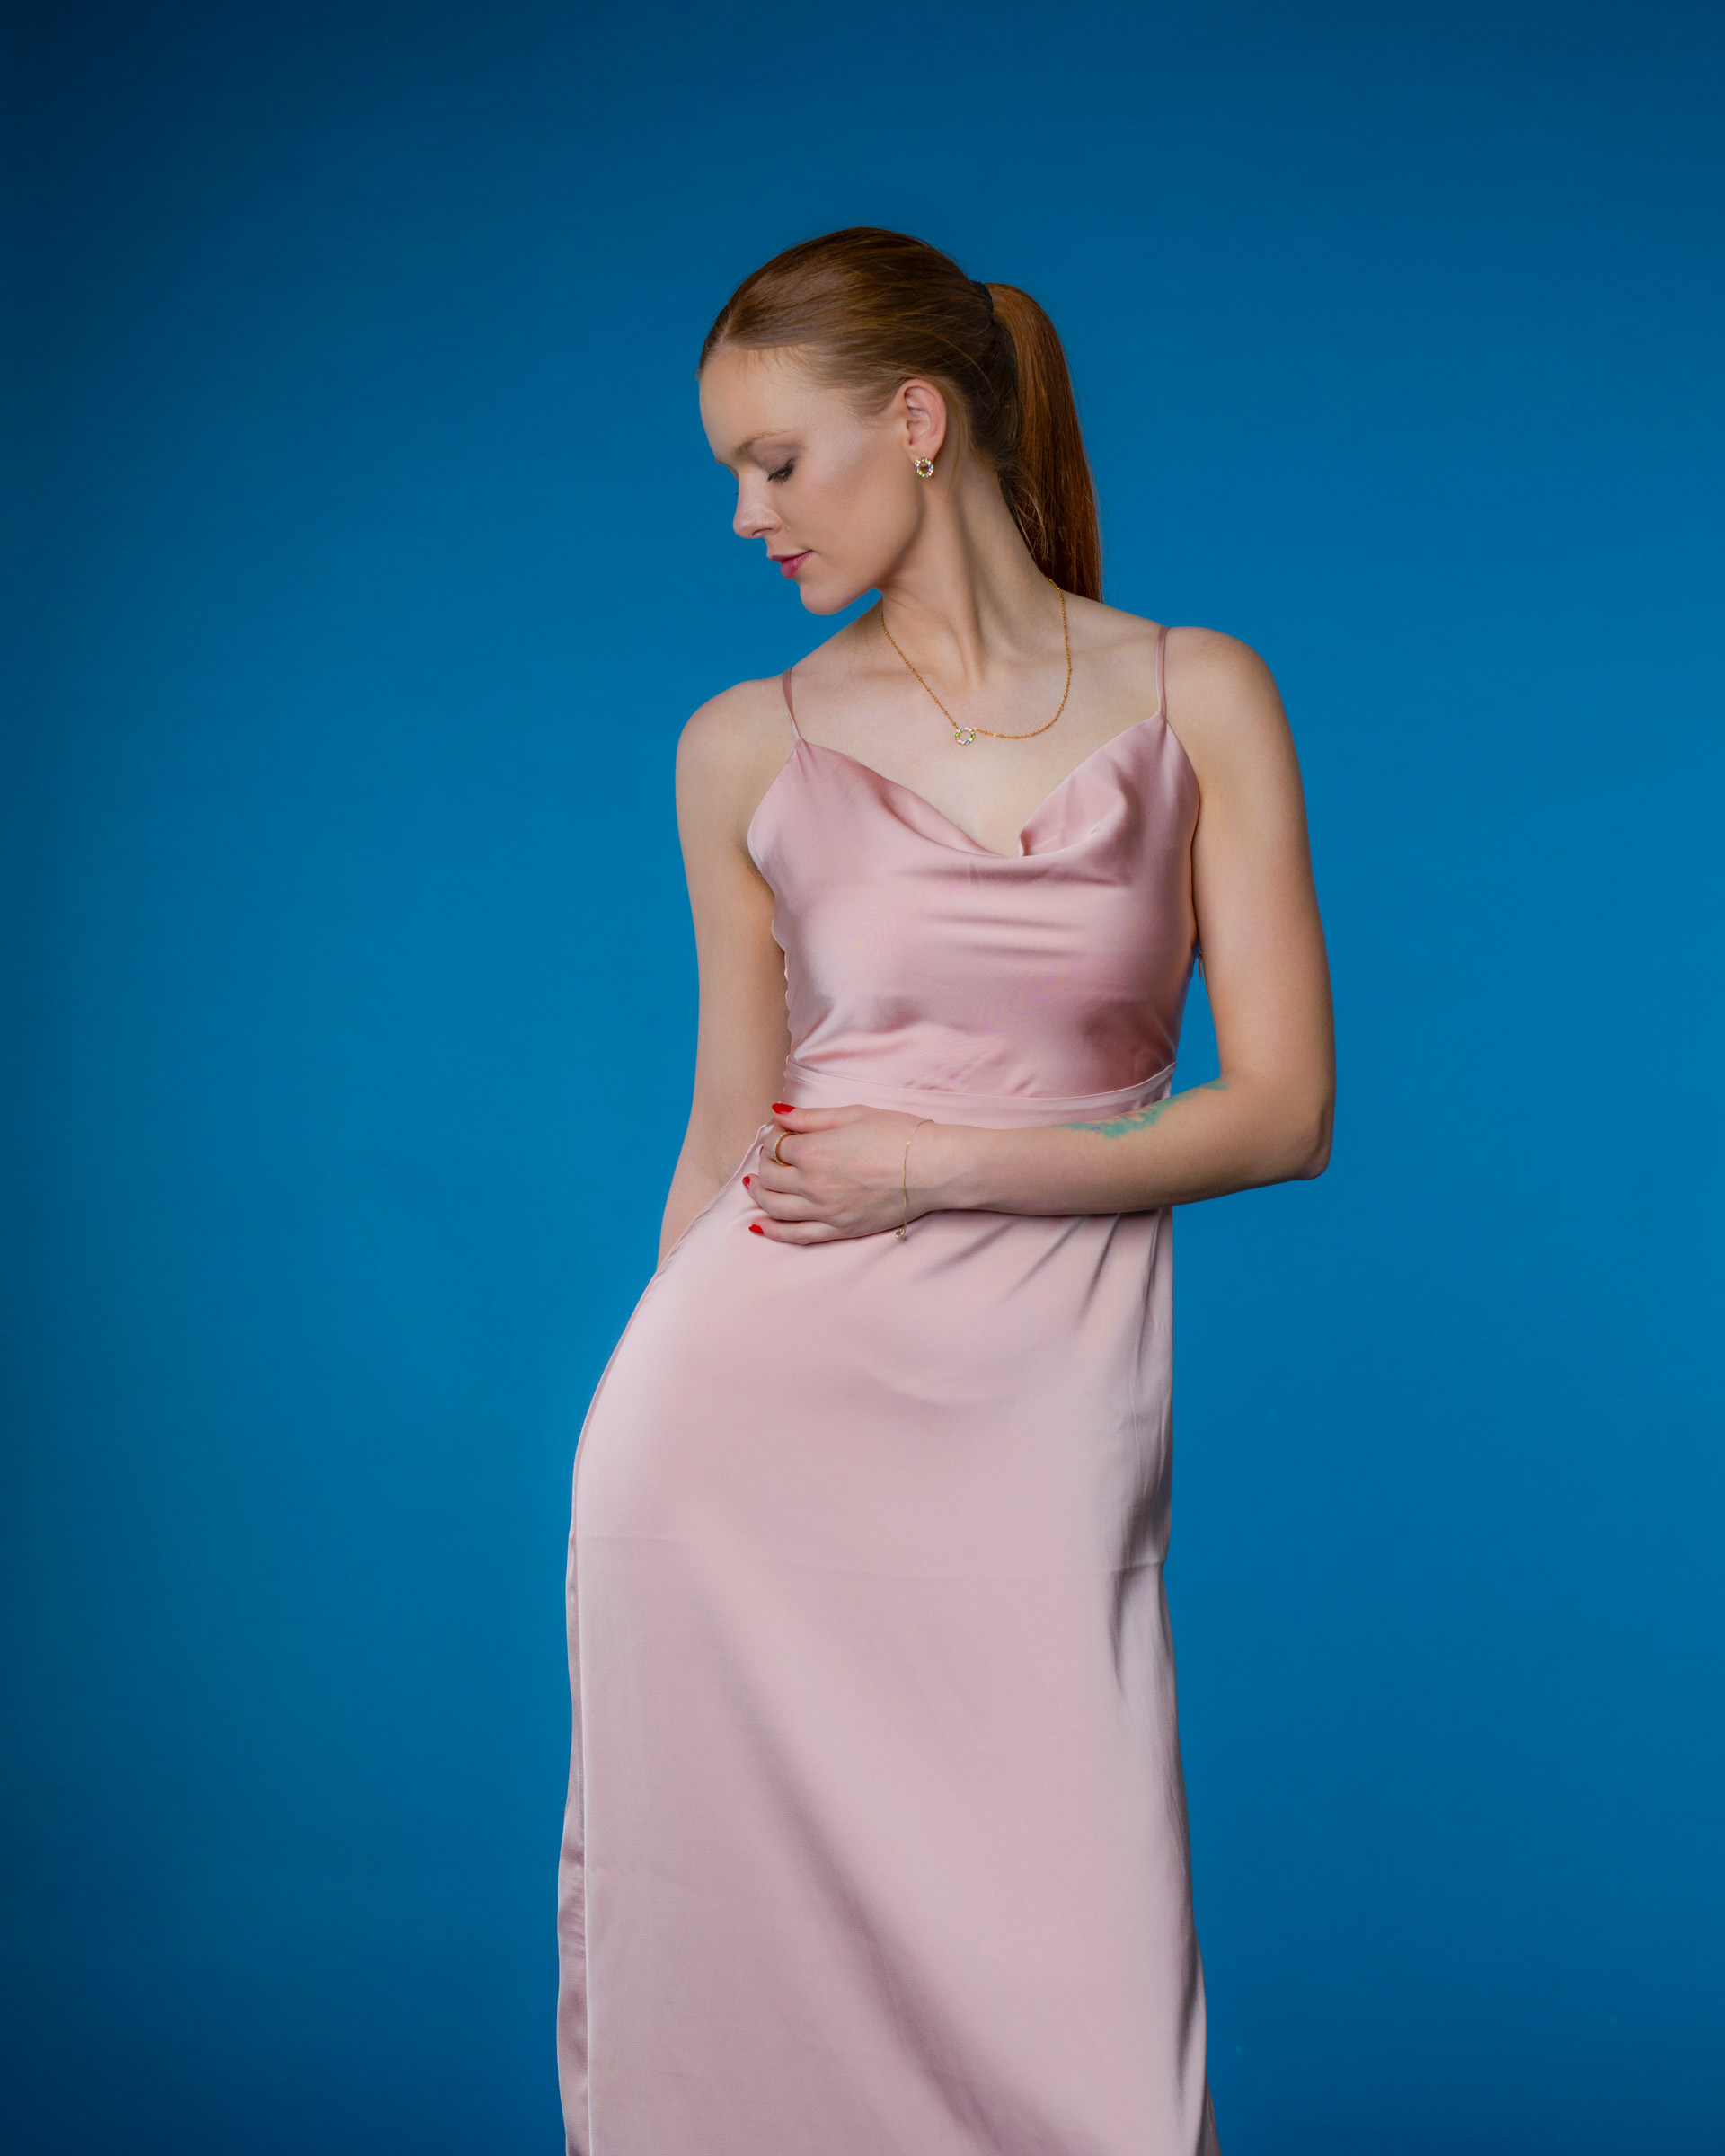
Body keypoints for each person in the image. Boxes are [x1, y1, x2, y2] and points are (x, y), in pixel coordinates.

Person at [556, 226, 1333, 2156]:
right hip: (743, 1438)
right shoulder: (743, 744)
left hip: (1038, 1405)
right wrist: (637, 1432)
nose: (744, 514)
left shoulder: (1195, 693)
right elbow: (727, 1123)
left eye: (774, 460)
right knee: (737, 1979)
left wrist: (940, 1166)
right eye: (729, 472)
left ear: (916, 425)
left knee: (1074, 1973)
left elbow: (1285, 1111)